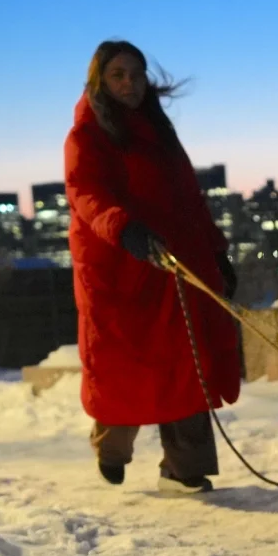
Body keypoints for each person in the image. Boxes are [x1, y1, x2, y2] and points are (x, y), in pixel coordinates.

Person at [64, 40, 240, 493]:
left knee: (186, 361)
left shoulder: (160, 133)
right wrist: (124, 228)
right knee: (128, 366)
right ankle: (112, 446)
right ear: (100, 80)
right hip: (121, 264)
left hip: (173, 260)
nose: (129, 84)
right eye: (118, 74)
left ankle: (183, 469)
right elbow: (86, 195)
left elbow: (188, 199)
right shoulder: (85, 136)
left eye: (136, 75)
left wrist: (215, 251)